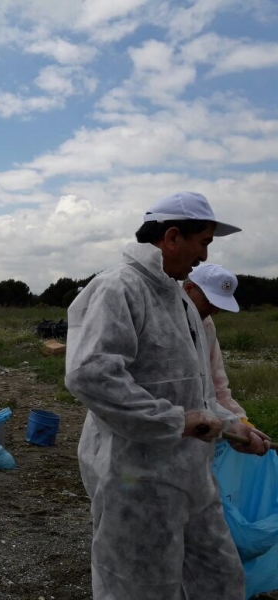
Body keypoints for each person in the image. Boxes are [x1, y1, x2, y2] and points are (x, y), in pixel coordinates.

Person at [65, 191, 271, 600]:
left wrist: (234, 428)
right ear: (173, 237)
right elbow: (91, 374)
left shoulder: (180, 300)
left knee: (220, 579)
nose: (203, 255)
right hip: (136, 480)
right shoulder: (119, 288)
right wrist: (176, 422)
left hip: (192, 477)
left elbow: (196, 392)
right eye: (204, 242)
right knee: (141, 587)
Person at [183, 263, 248, 419]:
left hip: (200, 423)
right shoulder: (161, 319)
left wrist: (240, 419)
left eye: (219, 305)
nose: (215, 311)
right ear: (189, 289)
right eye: (210, 302)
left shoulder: (207, 324)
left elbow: (217, 383)